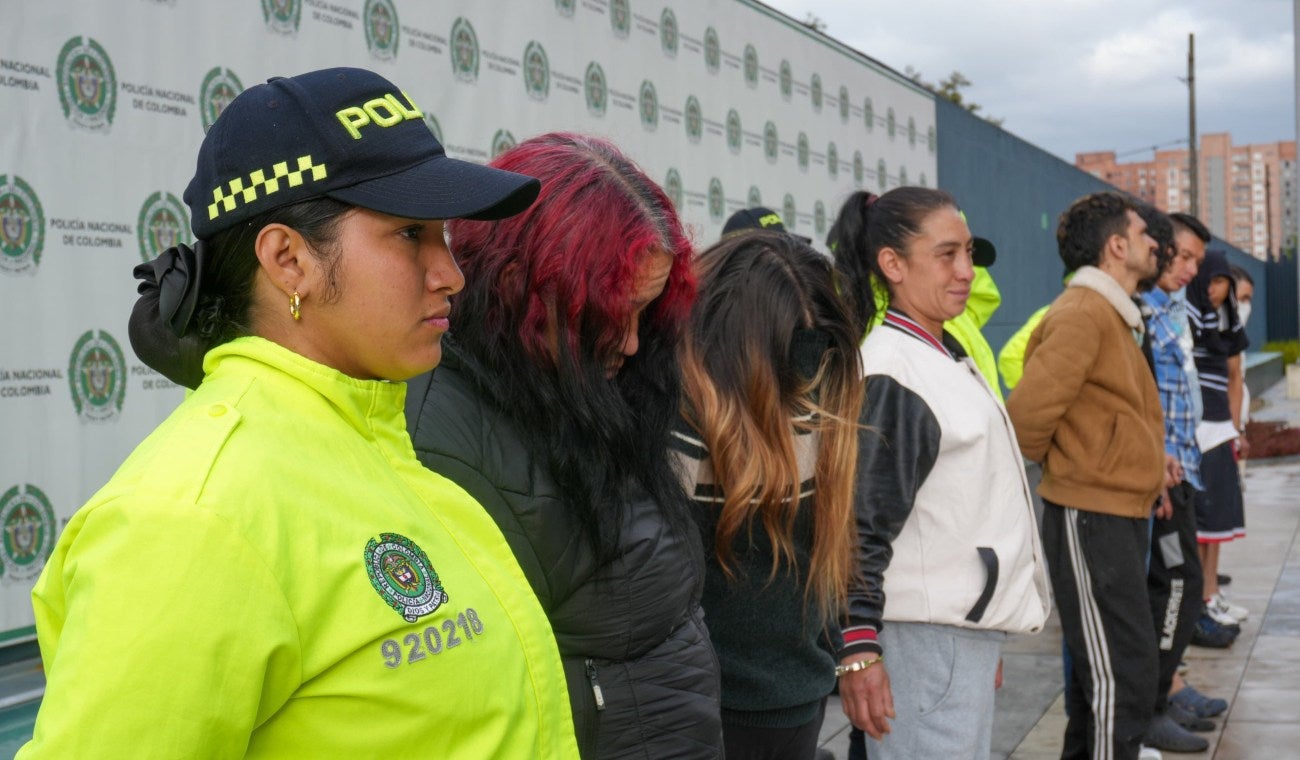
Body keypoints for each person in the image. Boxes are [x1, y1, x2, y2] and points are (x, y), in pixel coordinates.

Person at [18, 68, 579, 758]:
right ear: (288, 260)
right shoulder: (194, 519)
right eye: (409, 235)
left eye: (443, 235)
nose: (450, 273)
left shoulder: (373, 442)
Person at [405, 132, 721, 759]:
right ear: (520, 281)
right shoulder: (442, 432)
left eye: (646, 313)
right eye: (611, 314)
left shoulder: (589, 384)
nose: (631, 344)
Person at [829, 188, 1051, 760]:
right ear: (892, 265)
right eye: (947, 255)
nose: (966, 272)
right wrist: (859, 648)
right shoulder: (895, 370)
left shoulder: (939, 351)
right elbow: (859, 524)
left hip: (953, 634)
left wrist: (987, 628)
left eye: (969, 254)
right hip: (924, 640)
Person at [669, 230, 862, 760]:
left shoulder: (822, 399)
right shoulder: (666, 422)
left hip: (793, 694)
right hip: (705, 706)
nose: (808, 374)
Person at [1007, 191, 1165, 760]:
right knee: (1119, 679)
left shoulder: (1112, 314)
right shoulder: (1082, 312)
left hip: (1114, 514)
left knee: (1110, 674)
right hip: (1089, 517)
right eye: (1145, 233)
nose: (1156, 243)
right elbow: (1025, 421)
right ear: (1116, 245)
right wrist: (1080, 468)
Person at [1134, 205, 1214, 753]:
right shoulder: (1138, 313)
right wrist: (1156, 467)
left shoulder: (1175, 307)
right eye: (1181, 255)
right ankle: (1154, 704)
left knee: (1179, 593)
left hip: (1182, 471)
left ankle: (1167, 693)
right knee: (1175, 589)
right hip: (1158, 477)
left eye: (1195, 261)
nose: (1187, 268)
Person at [1188, 250, 1251, 628]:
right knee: (1199, 526)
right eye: (1209, 280)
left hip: (1220, 431)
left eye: (1220, 281)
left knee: (1217, 527)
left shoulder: (1227, 321)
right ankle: (1198, 601)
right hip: (1192, 433)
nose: (1214, 289)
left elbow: (1235, 378)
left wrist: (1236, 429)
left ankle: (1210, 596)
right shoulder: (1187, 318)